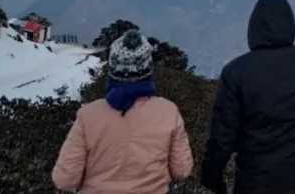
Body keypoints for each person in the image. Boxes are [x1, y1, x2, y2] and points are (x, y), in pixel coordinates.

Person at [201, 0, 295, 194]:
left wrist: (212, 176)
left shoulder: (236, 71)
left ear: (253, 28)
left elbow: (223, 134)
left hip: (254, 180)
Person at [52, 29, 194, 193]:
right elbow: (182, 170)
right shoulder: (168, 112)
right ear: (148, 69)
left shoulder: (88, 116)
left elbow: (65, 180)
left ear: (113, 69)